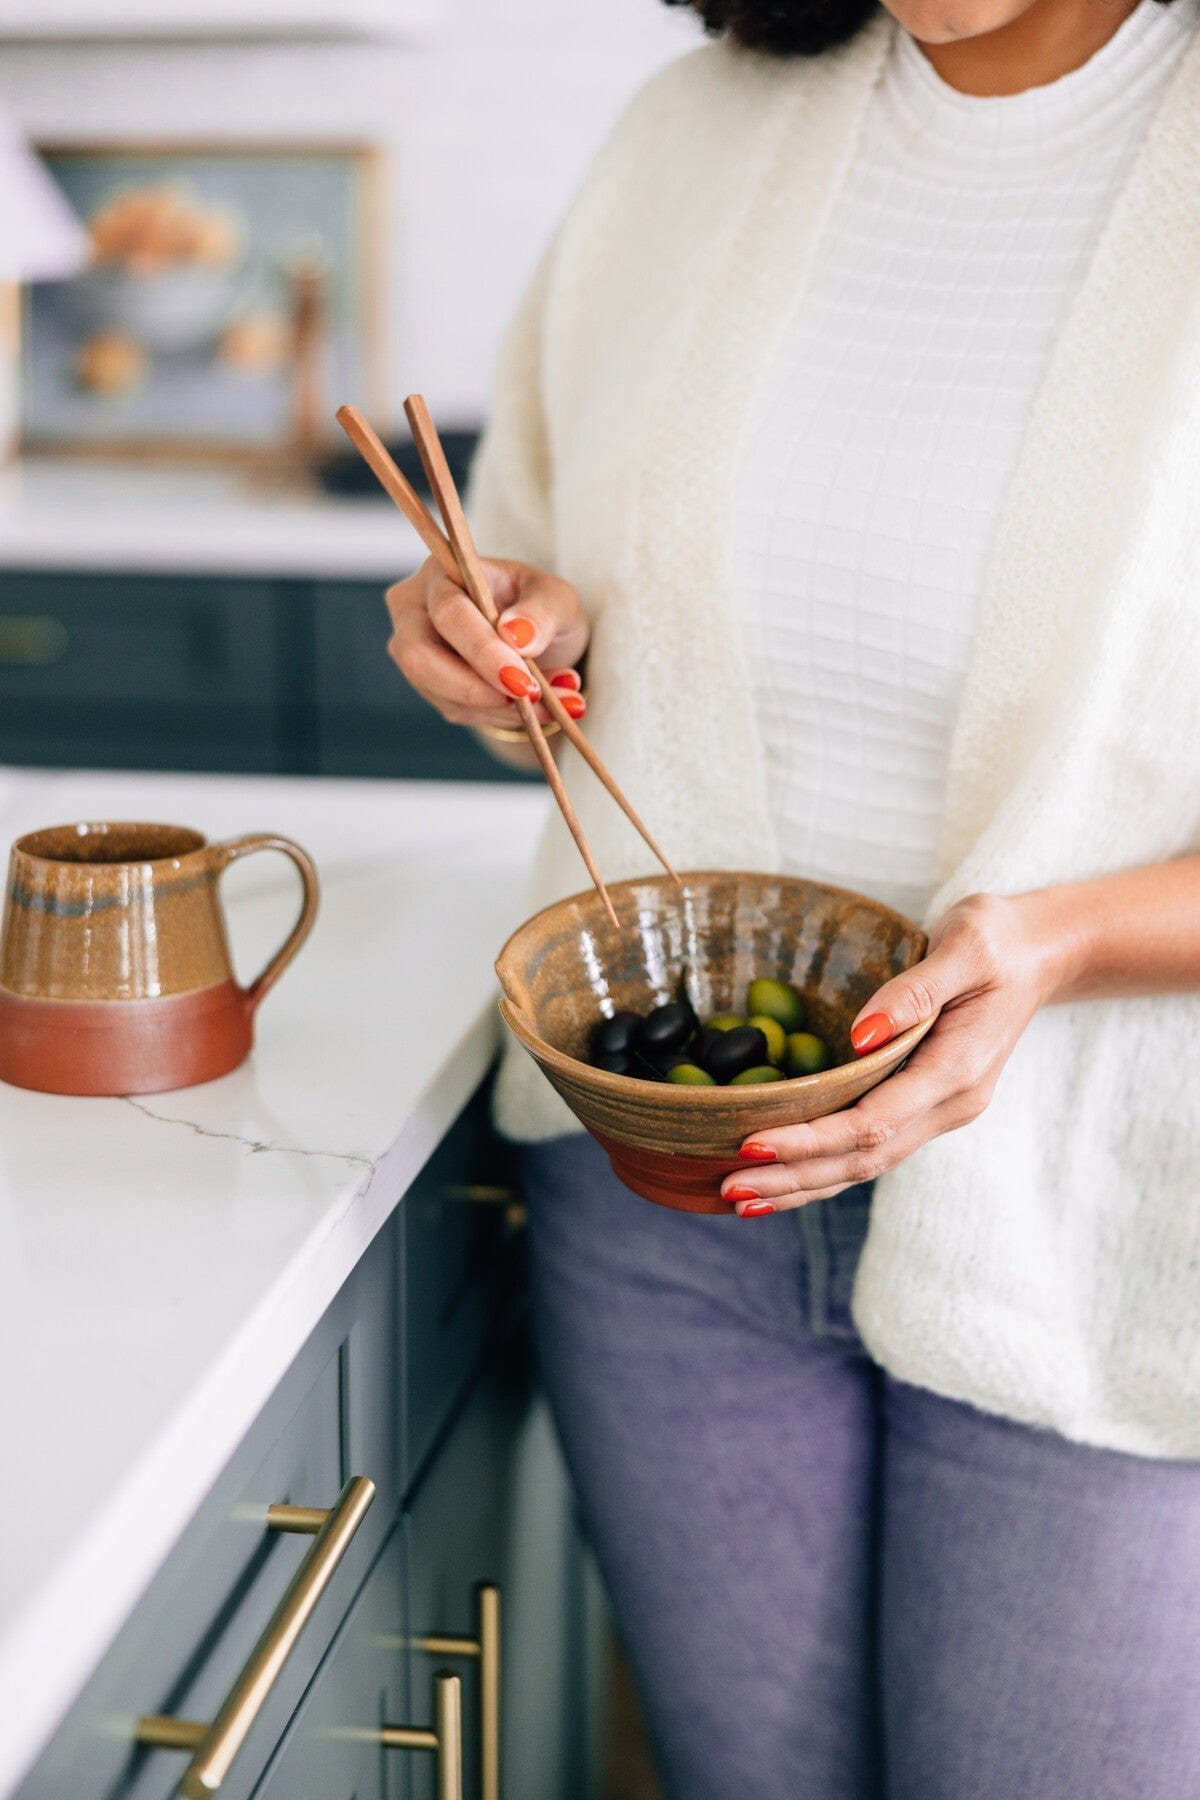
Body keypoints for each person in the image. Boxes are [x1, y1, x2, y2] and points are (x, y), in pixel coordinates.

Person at [383, 0, 1200, 1789]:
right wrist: (508, 631)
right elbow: (539, 569)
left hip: (1107, 1220)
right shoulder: (691, 137)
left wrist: (1062, 936)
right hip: (671, 1203)